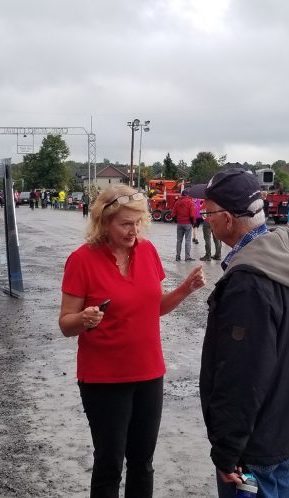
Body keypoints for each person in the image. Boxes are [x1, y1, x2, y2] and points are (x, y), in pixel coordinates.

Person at [59, 185, 207, 498]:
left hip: (149, 374)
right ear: (104, 222)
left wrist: (185, 289)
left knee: (143, 462)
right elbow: (65, 324)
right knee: (110, 464)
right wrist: (83, 319)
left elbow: (154, 308)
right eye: (126, 224)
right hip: (104, 378)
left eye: (138, 222)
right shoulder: (81, 260)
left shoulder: (148, 252)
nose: (134, 230)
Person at [198, 169, 289, 498]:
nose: (205, 219)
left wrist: (227, 450)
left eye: (207, 212)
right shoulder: (279, 256)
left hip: (254, 442)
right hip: (280, 426)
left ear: (226, 218)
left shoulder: (250, 280)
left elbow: (242, 374)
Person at [172, 192, 196, 261]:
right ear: (187, 195)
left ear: (182, 195)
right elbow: (192, 215)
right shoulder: (190, 202)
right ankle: (187, 257)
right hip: (187, 223)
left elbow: (173, 214)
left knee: (179, 240)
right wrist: (193, 223)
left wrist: (176, 221)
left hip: (180, 223)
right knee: (188, 240)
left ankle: (178, 256)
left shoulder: (177, 202)